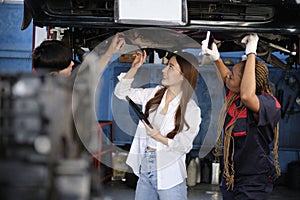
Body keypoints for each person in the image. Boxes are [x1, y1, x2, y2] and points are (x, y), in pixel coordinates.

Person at [201, 33, 281, 199]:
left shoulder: (269, 104)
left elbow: (247, 95)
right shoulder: (234, 99)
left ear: (247, 81)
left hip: (255, 179)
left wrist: (251, 52)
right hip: (232, 177)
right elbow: (227, 80)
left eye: (234, 75)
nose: (229, 74)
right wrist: (216, 57)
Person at [114, 50, 201, 200]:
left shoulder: (191, 109)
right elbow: (121, 93)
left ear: (183, 76)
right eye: (166, 65)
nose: (164, 69)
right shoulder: (154, 94)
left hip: (170, 172)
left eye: (170, 67)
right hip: (146, 164)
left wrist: (159, 137)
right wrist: (134, 68)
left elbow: (184, 146)